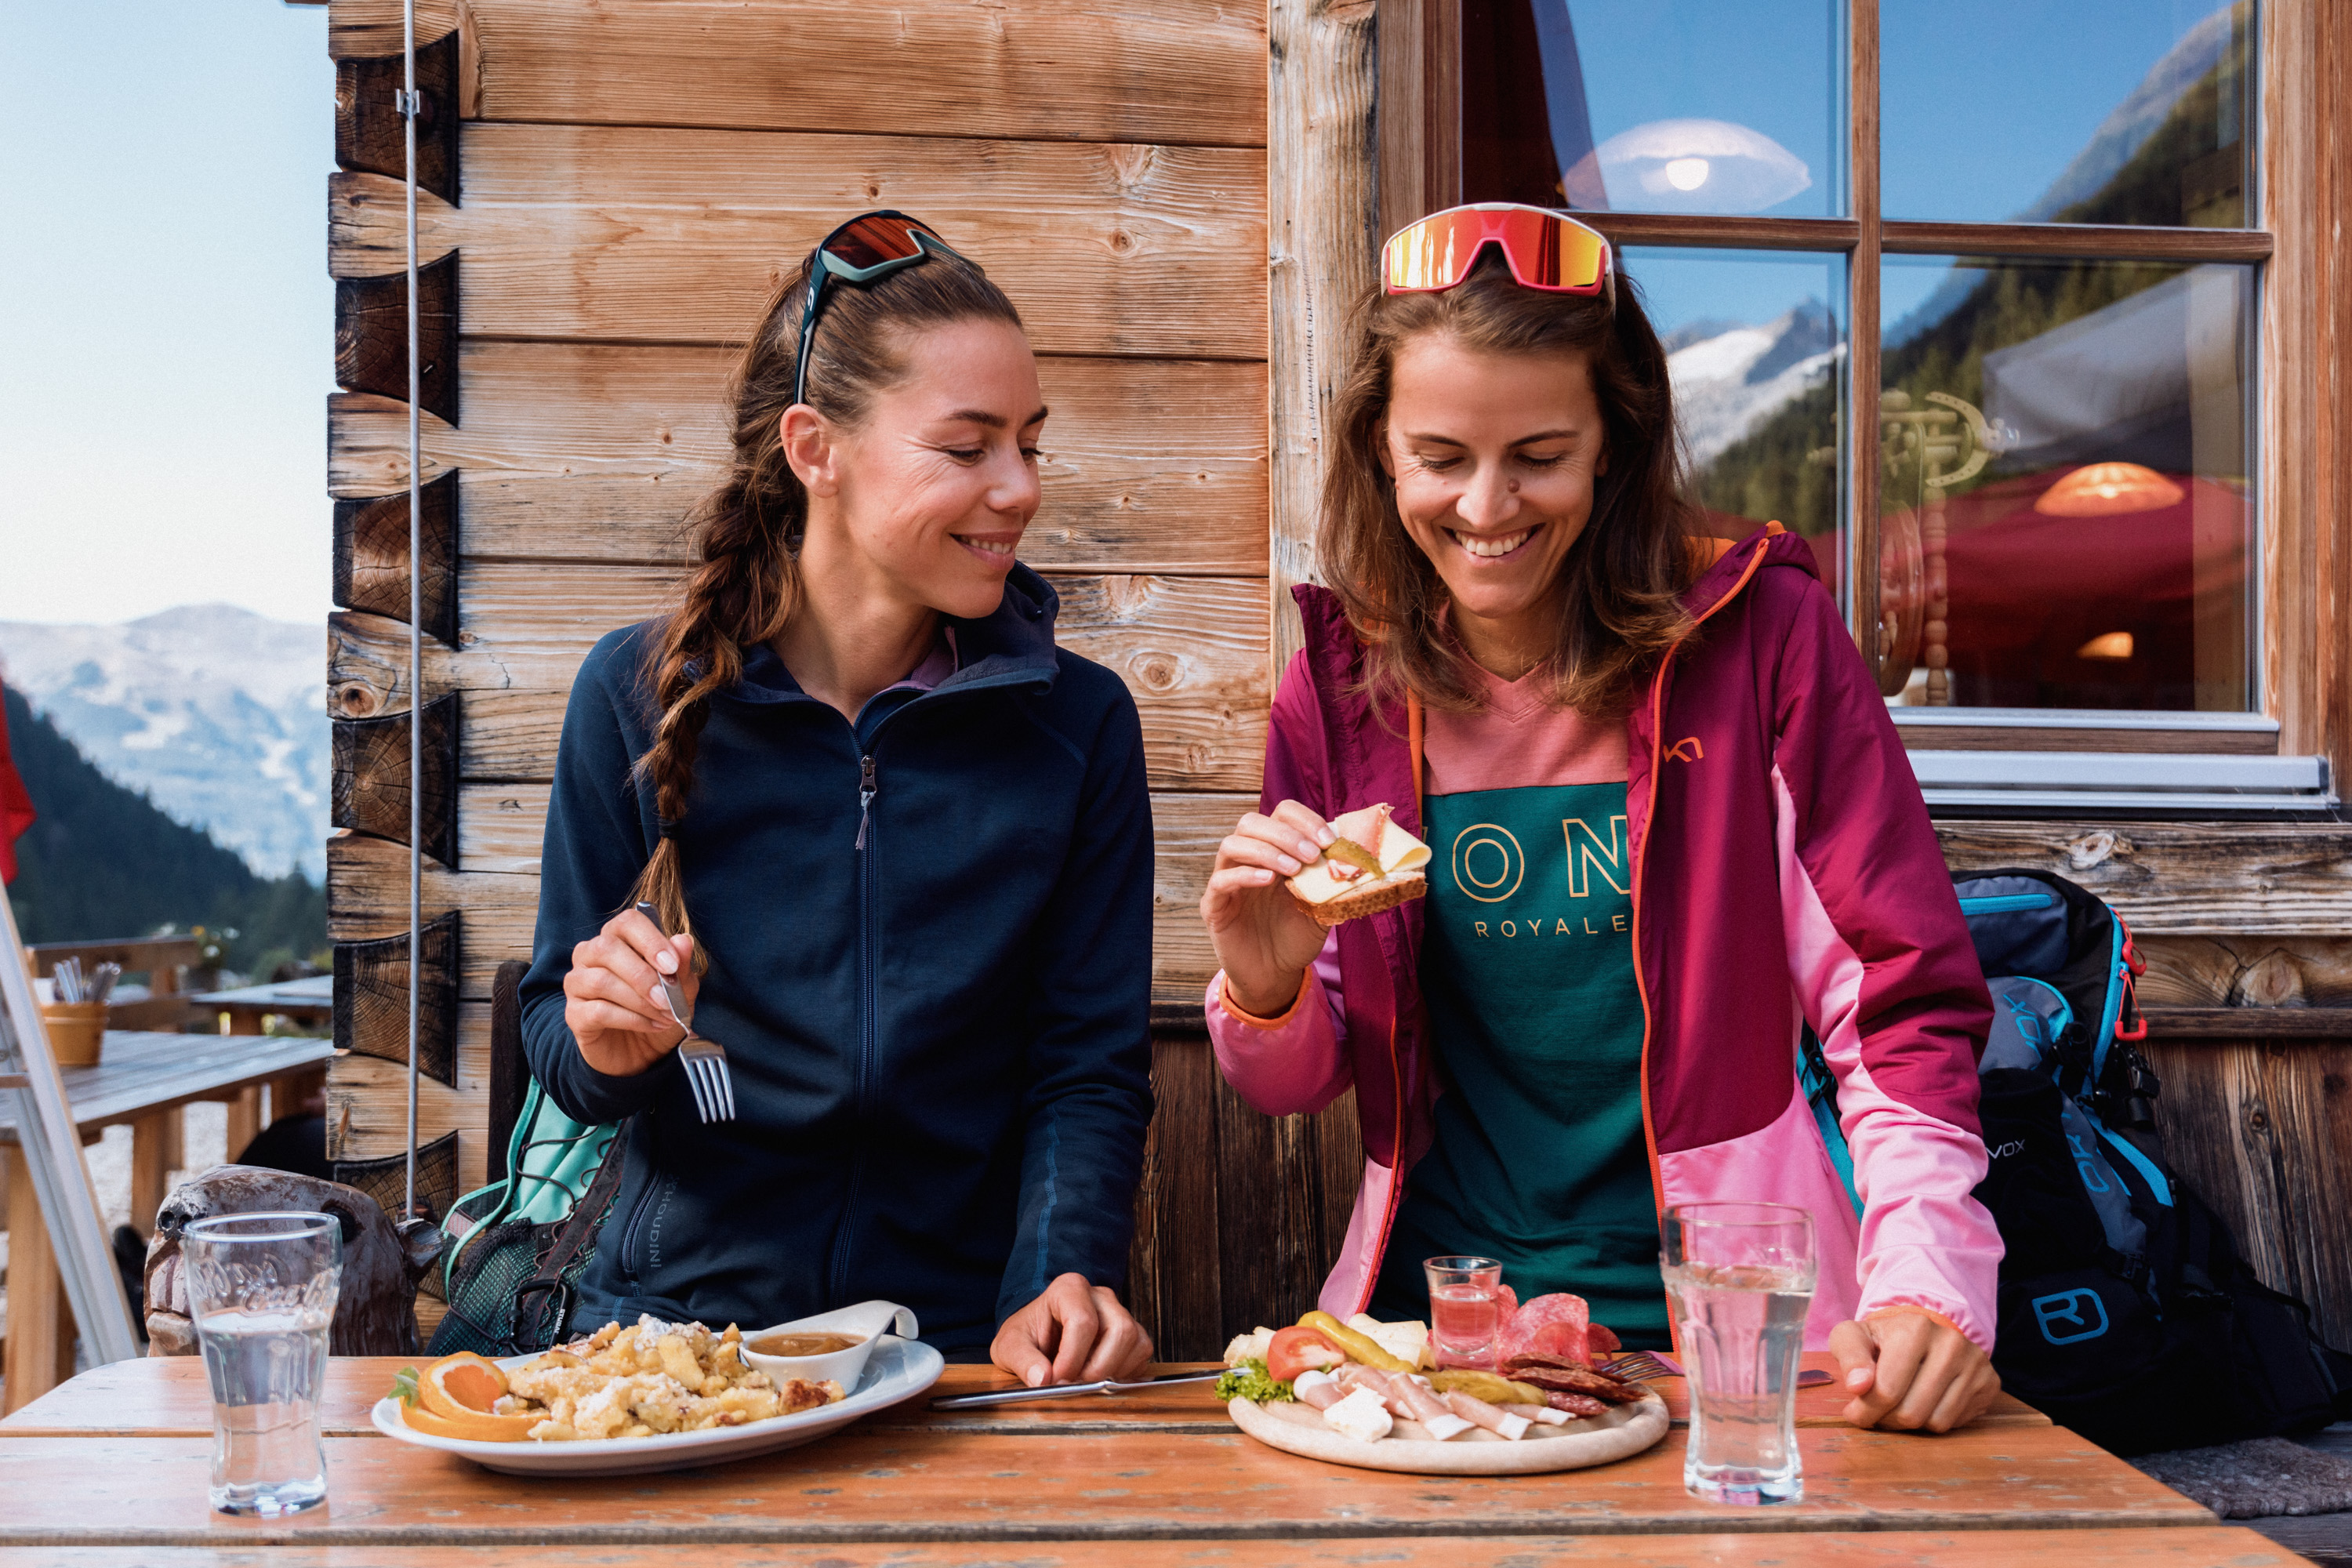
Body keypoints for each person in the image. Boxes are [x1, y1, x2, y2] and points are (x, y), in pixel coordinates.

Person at [1200, 204, 2004, 1433]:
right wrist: (1264, 997)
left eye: (1538, 453)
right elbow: (1305, 1081)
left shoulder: (1761, 637)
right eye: (1440, 457)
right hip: (1437, 1349)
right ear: (1380, 451)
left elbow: (1896, 995)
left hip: (1745, 1342)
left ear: (1615, 443)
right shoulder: (1339, 681)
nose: (1485, 506)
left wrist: (1930, 1291)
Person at [520, 212, 1156, 1385]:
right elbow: (554, 1043)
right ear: (815, 448)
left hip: (956, 1349)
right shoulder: (631, 691)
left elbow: (1086, 1065)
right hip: (676, 1353)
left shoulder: (1079, 728)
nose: (1017, 488)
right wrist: (609, 1045)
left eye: (1030, 442)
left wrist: (1058, 1278)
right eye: (966, 448)